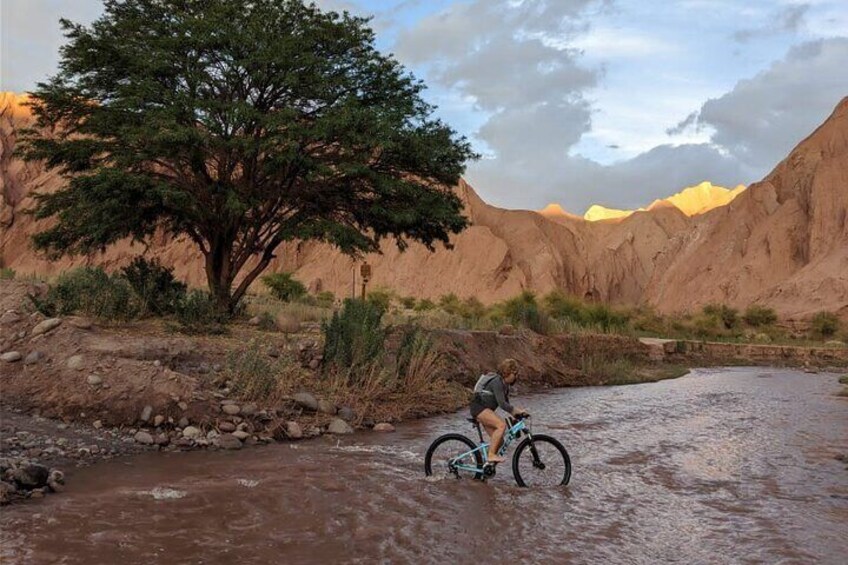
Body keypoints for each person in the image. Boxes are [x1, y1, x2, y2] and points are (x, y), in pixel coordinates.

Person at [470, 358, 528, 463]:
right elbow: (502, 404)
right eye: (515, 374)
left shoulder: (505, 386)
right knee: (501, 425)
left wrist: (518, 414)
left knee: (499, 441)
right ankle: (491, 455)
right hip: (479, 408)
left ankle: (485, 465)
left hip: (485, 409)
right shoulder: (497, 382)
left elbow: (507, 405)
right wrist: (516, 410)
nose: (516, 377)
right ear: (508, 373)